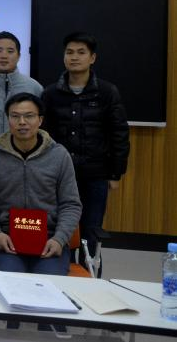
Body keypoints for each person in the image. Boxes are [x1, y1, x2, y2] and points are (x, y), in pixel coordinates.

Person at [41, 32, 129, 265]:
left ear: (92, 58)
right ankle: (63, 274)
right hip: (59, 175)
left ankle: (89, 277)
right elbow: (43, 135)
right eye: (69, 52)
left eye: (81, 52)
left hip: (95, 175)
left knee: (91, 231)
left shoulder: (107, 92)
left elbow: (119, 133)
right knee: (61, 230)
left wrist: (116, 173)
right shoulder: (51, 93)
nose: (74, 57)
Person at [0, 93, 82, 275]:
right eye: (15, 116)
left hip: (49, 238)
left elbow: (71, 204)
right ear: (8, 120)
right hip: (7, 238)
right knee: (11, 281)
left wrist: (59, 239)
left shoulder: (59, 155)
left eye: (29, 116)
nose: (22, 122)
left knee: (47, 284)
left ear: (40, 120)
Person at [0, 31, 42, 147]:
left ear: (19, 56)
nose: (4, 56)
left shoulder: (34, 87)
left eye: (10, 51)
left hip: (24, 154)